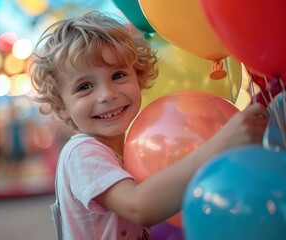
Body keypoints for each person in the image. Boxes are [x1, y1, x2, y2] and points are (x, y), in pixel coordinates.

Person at [31, 11, 269, 240]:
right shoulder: (82, 154)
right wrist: (222, 143)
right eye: (84, 87)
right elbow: (139, 206)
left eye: (117, 76)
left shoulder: (130, 149)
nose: (107, 94)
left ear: (138, 77)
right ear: (61, 105)